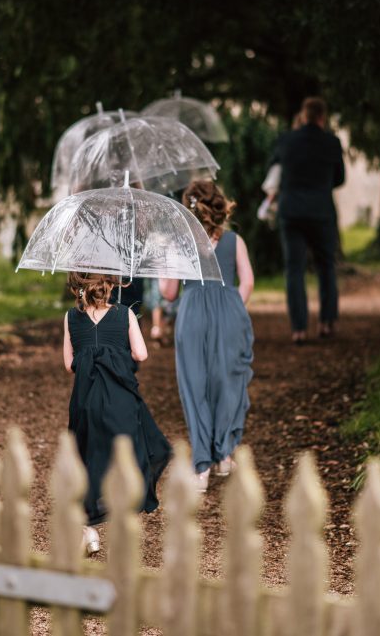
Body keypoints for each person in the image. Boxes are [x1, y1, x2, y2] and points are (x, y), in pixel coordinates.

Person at [63, 272, 171, 553]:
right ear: (111, 285)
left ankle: (88, 529)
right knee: (131, 456)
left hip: (86, 402)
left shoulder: (70, 318)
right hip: (120, 400)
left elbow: (68, 363)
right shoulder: (125, 314)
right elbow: (141, 354)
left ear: (79, 287)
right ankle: (125, 518)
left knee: (89, 459)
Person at [161, 180, 254, 493]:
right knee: (227, 381)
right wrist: (233, 307)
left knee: (195, 385)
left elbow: (169, 292)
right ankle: (224, 454)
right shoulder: (234, 241)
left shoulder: (178, 244)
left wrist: (163, 267)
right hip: (228, 311)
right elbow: (249, 282)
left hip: (193, 315)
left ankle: (202, 466)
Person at [269, 97, 345, 343]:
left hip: (291, 212)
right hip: (321, 212)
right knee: (326, 267)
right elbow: (340, 179)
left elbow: (273, 173)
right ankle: (326, 323)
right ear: (322, 118)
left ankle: (299, 329)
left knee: (294, 269)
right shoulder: (332, 143)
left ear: (303, 115)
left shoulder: (286, 141)